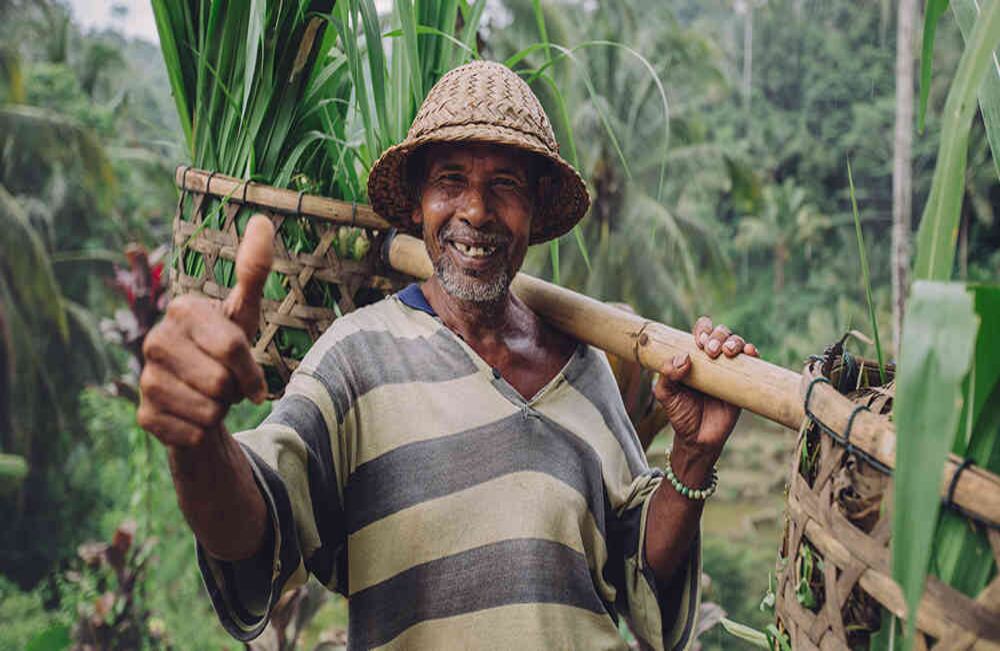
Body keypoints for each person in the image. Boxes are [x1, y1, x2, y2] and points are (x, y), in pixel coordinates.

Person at [138, 60, 757, 650]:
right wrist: (198, 444)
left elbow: (637, 572)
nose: (477, 211)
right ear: (417, 204)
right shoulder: (357, 358)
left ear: (535, 210)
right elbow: (252, 537)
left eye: (505, 185)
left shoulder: (584, 366)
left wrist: (694, 456)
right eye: (451, 180)